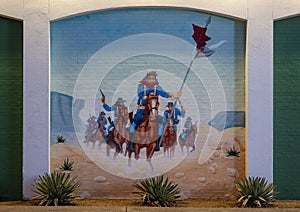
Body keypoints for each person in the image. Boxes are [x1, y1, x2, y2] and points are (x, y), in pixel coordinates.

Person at [128, 71, 182, 152]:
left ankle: (157, 142)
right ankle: (131, 143)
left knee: (160, 123)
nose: (151, 80)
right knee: (134, 124)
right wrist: (145, 97)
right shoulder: (141, 86)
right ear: (147, 79)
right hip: (142, 110)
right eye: (150, 78)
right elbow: (140, 94)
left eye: (153, 79)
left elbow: (163, 93)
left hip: (153, 111)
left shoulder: (157, 87)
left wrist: (172, 95)